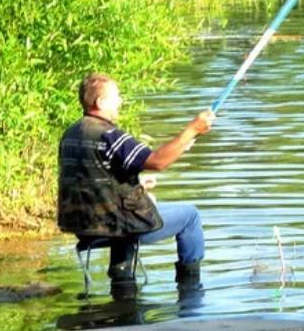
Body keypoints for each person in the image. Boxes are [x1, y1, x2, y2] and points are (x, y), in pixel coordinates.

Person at [57, 73, 215, 288]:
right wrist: (193, 129)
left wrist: (137, 184)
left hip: (84, 228)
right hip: (116, 226)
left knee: (136, 209)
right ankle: (191, 292)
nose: (120, 101)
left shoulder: (70, 135)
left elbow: (93, 179)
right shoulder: (110, 135)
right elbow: (157, 162)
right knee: (190, 216)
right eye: (117, 97)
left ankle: (122, 282)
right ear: (101, 102)